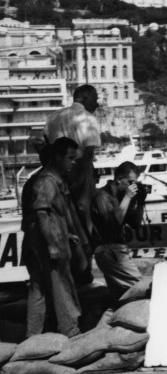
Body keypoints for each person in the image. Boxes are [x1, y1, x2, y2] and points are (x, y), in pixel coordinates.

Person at [21, 137, 84, 338]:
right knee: (61, 286)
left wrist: (66, 234)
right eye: (70, 158)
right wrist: (52, 244)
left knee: (38, 290)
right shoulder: (47, 181)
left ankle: (33, 336)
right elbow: (42, 212)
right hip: (48, 243)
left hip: (42, 241)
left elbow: (51, 215)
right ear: (58, 157)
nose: (73, 162)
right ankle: (71, 331)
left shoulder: (49, 180)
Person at [45, 84, 100, 286]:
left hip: (57, 175)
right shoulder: (88, 118)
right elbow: (87, 155)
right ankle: (85, 274)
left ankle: (69, 275)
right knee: (86, 221)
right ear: (84, 98)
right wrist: (78, 182)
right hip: (79, 174)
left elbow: (47, 147)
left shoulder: (53, 118)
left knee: (65, 223)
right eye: (95, 98)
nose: (97, 102)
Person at [90, 161, 145, 301]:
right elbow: (113, 224)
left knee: (119, 297)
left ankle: (108, 321)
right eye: (130, 182)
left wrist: (140, 202)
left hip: (115, 250)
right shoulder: (102, 196)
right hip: (109, 249)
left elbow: (135, 224)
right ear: (119, 179)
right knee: (141, 288)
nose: (133, 186)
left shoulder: (121, 197)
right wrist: (127, 197)